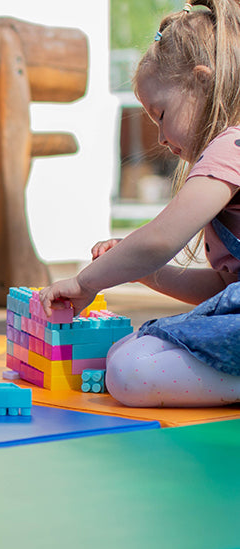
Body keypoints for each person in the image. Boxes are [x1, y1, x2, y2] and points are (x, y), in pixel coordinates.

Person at [39, 0, 240, 408]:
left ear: (202, 83)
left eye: (161, 114)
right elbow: (223, 289)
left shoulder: (230, 148)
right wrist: (146, 274)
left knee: (130, 372)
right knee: (122, 355)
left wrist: (85, 283)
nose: (161, 137)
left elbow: (160, 238)